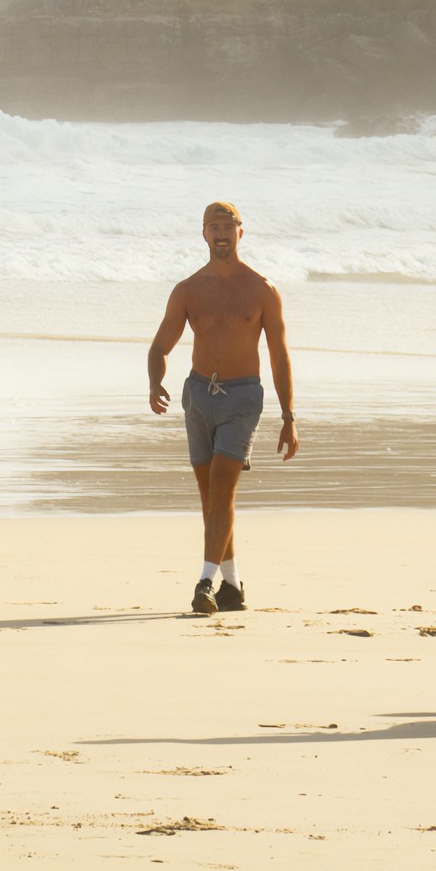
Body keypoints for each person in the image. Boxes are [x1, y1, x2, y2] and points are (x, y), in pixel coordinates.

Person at [147, 200, 299, 614]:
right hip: (198, 397)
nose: (220, 232)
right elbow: (160, 346)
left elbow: (279, 356)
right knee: (210, 498)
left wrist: (289, 417)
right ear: (203, 234)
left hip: (242, 398)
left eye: (227, 226)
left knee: (223, 488)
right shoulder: (188, 290)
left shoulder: (262, 290)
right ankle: (232, 585)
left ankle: (204, 583)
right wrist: (154, 379)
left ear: (240, 233)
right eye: (213, 226)